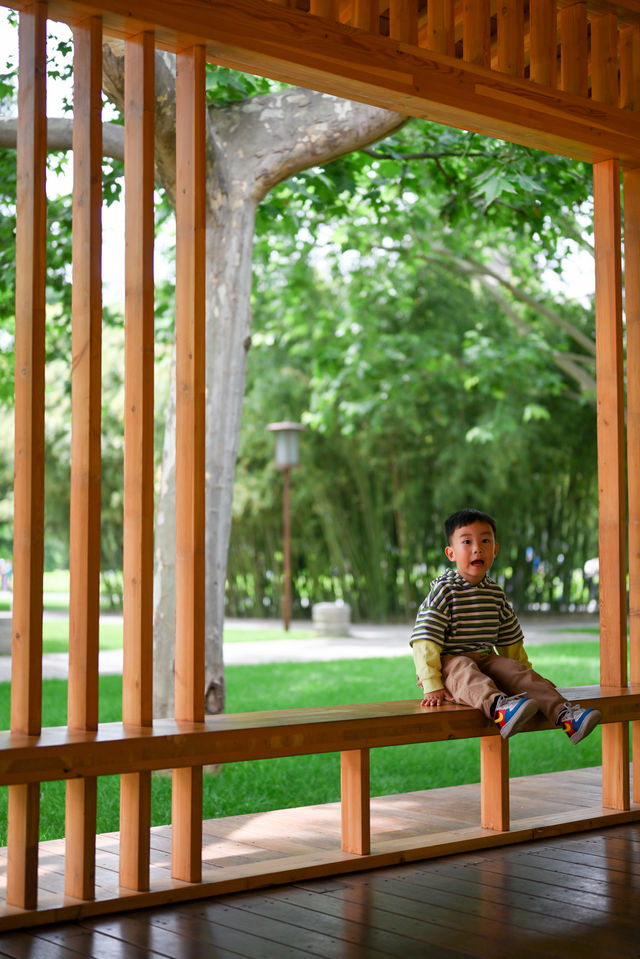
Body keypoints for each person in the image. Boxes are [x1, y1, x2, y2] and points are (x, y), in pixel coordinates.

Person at [410, 508, 602, 743]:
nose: (477, 548)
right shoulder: (444, 590)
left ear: (495, 549)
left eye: (485, 541)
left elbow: (511, 641)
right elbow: (425, 639)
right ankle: (499, 709)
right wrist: (431, 683)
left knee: (513, 671)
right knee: (463, 667)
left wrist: (528, 677)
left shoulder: (494, 594)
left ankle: (566, 716)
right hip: (450, 662)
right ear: (451, 553)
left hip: (484, 658)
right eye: (467, 542)